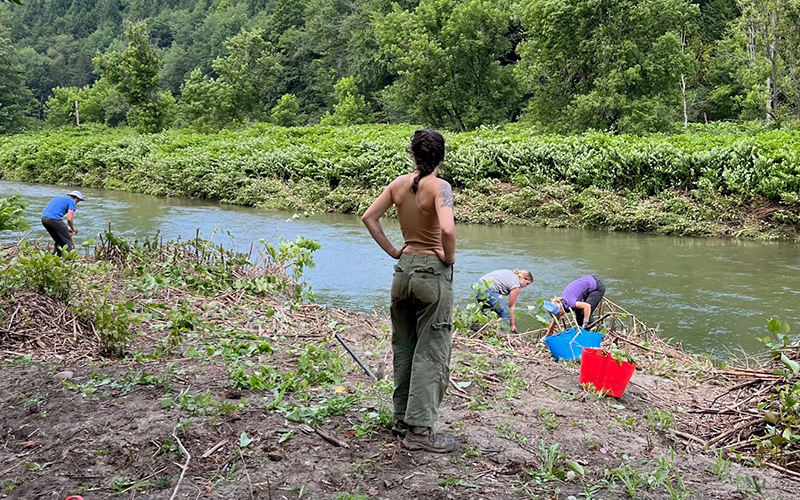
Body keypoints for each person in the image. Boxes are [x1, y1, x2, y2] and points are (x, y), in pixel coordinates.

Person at [362, 129, 456, 453]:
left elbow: (369, 217)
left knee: (404, 347)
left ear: (412, 155)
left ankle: (401, 420)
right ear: (440, 157)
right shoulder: (440, 187)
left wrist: (392, 250)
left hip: (402, 273)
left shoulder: (398, 185)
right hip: (431, 274)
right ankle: (419, 431)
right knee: (431, 351)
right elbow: (446, 228)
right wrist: (449, 256)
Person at [474, 269, 534, 333]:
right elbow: (511, 306)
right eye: (527, 283)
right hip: (488, 290)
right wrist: (512, 324)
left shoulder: (511, 273)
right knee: (506, 315)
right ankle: (504, 335)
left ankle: (485, 331)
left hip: (478, 286)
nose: (526, 286)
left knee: (489, 314)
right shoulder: (516, 286)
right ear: (523, 278)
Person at [41, 190, 85, 256]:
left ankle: (55, 257)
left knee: (59, 241)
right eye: (78, 201)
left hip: (44, 219)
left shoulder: (57, 198)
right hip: (54, 220)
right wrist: (73, 227)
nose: (76, 203)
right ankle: (68, 260)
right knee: (67, 242)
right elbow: (69, 219)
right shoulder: (71, 201)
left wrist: (65, 229)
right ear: (76, 198)